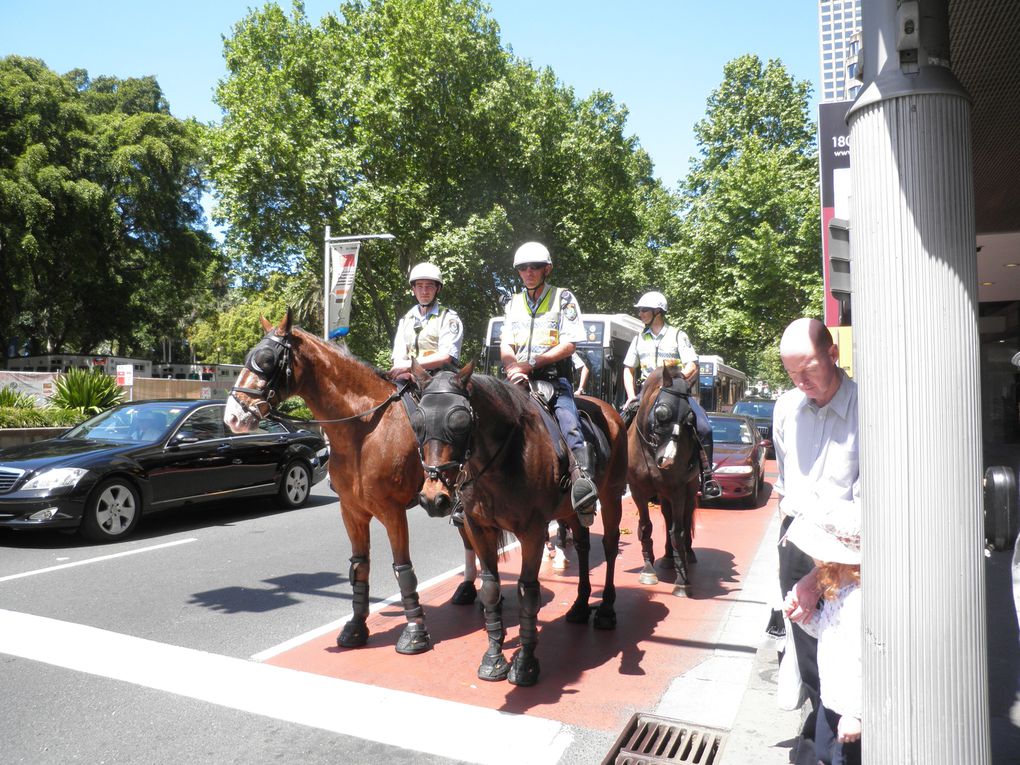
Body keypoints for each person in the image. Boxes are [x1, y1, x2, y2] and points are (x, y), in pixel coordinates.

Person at [773, 317, 859, 765]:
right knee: (810, 657)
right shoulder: (786, 408)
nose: (801, 381)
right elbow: (787, 480)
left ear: (833, 355)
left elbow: (865, 516)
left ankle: (835, 741)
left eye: (808, 368)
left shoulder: (867, 408)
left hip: (847, 557)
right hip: (796, 542)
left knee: (843, 656)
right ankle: (823, 731)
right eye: (791, 373)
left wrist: (820, 573)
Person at [500, 241, 598, 526]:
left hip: (553, 380)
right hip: (516, 378)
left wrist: (533, 364)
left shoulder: (563, 298)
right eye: (522, 268)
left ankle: (584, 488)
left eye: (534, 267)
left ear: (547, 269)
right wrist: (510, 366)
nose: (528, 272)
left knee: (570, 424)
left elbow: (570, 344)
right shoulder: (513, 302)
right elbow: (507, 342)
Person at [621, 291, 721, 498]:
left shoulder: (678, 335)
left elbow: (692, 364)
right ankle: (619, 474)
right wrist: (631, 396)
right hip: (646, 393)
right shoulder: (639, 338)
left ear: (658, 312)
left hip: (674, 394)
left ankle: (707, 476)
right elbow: (628, 369)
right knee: (618, 427)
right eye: (639, 310)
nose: (640, 313)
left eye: (644, 310)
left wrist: (676, 381)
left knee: (704, 426)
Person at [783, 507, 862, 765]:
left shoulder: (857, 600)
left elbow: (861, 660)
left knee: (840, 759)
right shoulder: (839, 589)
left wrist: (855, 714)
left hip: (848, 707)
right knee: (824, 755)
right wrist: (802, 620)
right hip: (832, 697)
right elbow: (828, 632)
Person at [389, 263, 464, 380]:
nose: (424, 291)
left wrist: (409, 365)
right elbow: (399, 356)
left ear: (438, 288)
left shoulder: (449, 318)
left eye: (429, 286)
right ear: (413, 289)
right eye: (419, 286)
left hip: (440, 378)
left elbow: (445, 357)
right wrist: (402, 368)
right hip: (409, 376)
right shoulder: (405, 320)